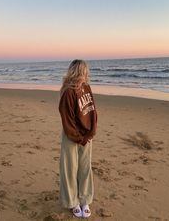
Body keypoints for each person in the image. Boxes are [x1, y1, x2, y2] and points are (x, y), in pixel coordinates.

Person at [59, 59, 97, 218]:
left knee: (85, 168)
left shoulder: (87, 87)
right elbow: (67, 120)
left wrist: (91, 132)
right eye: (85, 70)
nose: (87, 73)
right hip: (72, 136)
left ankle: (84, 199)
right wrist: (78, 137)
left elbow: (92, 110)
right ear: (79, 71)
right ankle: (72, 201)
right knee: (69, 169)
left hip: (86, 136)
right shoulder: (68, 92)